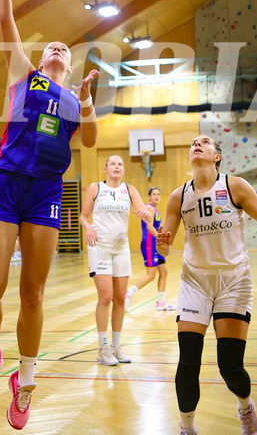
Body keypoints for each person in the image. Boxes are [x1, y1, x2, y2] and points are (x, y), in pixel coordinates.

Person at [0, 0, 98, 431]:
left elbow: (87, 143)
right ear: (42, 59)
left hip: (45, 191)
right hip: (6, 179)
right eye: (53, 46)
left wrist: (86, 98)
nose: (60, 47)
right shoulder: (25, 75)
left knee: (33, 293)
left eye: (67, 47)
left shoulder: (71, 99)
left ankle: (26, 379)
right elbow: (5, 19)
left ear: (70, 65)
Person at [156, 135, 257, 435]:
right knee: (188, 361)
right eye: (193, 142)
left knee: (230, 367)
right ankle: (187, 428)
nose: (196, 144)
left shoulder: (235, 186)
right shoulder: (178, 196)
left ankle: (246, 406)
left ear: (216, 156)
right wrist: (163, 244)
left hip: (234, 282)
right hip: (196, 282)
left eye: (204, 142)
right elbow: (163, 249)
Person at [80, 155, 152, 366]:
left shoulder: (130, 190)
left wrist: (144, 213)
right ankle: (103, 348)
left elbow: (148, 216)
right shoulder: (96, 188)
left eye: (120, 164)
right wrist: (89, 227)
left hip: (121, 249)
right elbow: (83, 216)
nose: (117, 166)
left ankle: (116, 346)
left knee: (120, 299)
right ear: (106, 169)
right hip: (99, 247)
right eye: (113, 163)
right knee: (106, 297)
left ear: (123, 170)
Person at [125, 186, 175, 311]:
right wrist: (161, 238)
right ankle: (128, 294)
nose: (157, 196)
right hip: (150, 245)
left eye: (158, 194)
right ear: (149, 196)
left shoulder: (155, 210)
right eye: (154, 194)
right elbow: (149, 227)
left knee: (164, 272)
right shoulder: (149, 208)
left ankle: (161, 302)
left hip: (156, 244)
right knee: (151, 275)